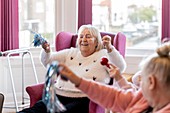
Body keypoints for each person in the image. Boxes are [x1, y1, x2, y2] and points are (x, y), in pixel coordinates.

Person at [19, 24, 126, 113]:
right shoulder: (71, 52)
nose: (84, 39)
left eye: (88, 36)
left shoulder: (104, 54)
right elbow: (48, 61)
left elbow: (120, 68)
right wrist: (47, 51)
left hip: (84, 100)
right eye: (81, 36)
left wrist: (110, 48)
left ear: (97, 41)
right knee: (32, 111)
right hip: (58, 95)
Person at [58, 41, 170, 113]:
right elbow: (111, 95)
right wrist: (77, 80)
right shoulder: (142, 99)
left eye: (142, 79)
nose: (140, 84)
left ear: (151, 82)